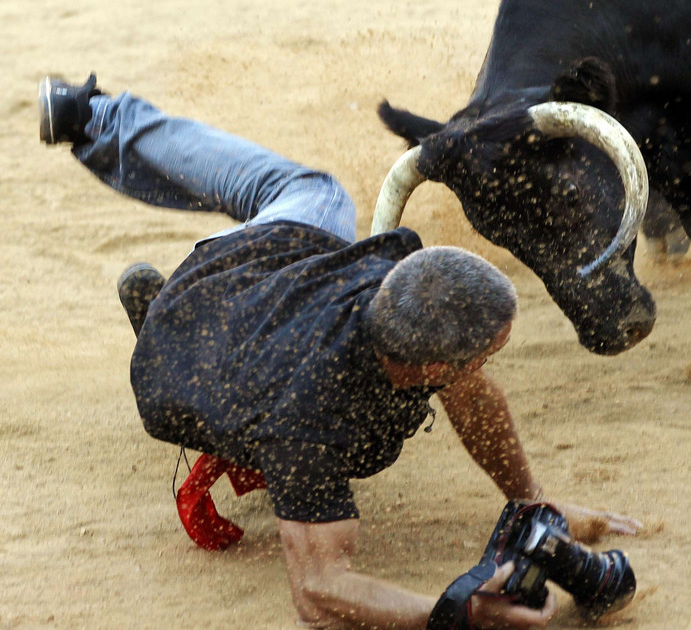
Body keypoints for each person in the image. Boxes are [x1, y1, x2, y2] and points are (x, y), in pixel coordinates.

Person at [39, 73, 639, 629]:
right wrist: (460, 612)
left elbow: (468, 388)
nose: (487, 365)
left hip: (263, 272)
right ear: (433, 367)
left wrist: (532, 502)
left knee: (313, 194)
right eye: (485, 353)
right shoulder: (309, 423)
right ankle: (116, 155)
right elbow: (320, 591)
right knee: (312, 195)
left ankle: (97, 123)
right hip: (201, 332)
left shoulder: (390, 281)